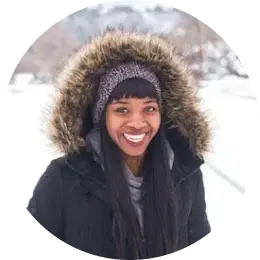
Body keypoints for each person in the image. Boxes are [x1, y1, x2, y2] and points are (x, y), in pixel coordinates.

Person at [25, 29, 212, 258]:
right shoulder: (64, 178)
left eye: (149, 109)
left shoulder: (185, 173)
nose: (137, 122)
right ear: (101, 117)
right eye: (121, 109)